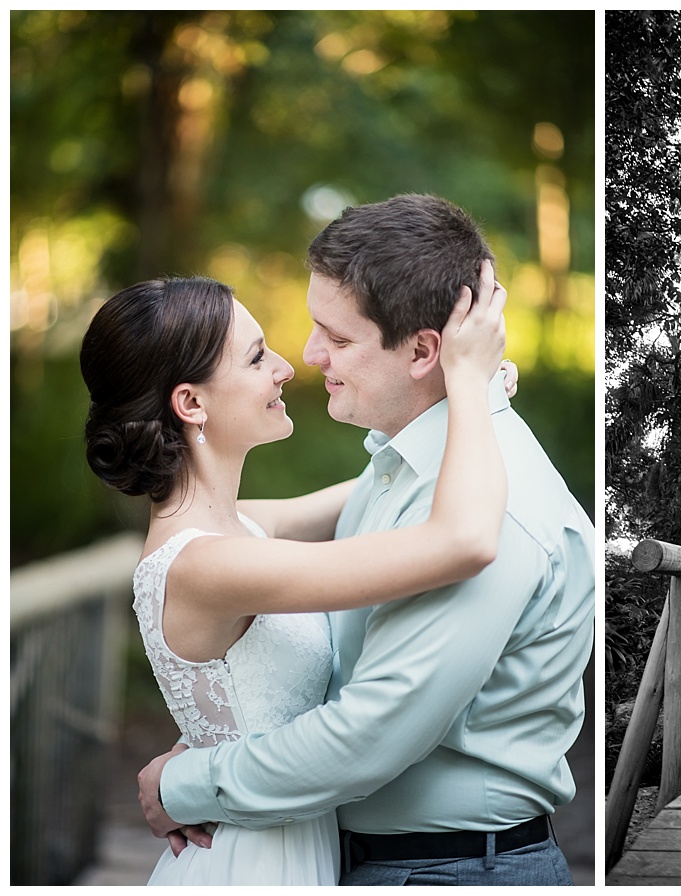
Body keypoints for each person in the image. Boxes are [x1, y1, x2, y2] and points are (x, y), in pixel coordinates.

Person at [135, 193, 595, 886]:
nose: (306, 356)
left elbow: (371, 734)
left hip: (449, 872)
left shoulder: (489, 503)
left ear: (423, 351)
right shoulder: (402, 468)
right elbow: (237, 545)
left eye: (338, 338)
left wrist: (188, 781)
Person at [80, 268, 512, 884]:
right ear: (192, 403)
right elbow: (462, 540)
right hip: (253, 865)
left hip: (282, 841)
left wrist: (465, 394)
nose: (287, 366)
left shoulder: (243, 528)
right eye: (257, 358)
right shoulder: (211, 565)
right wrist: (469, 386)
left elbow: (381, 485)